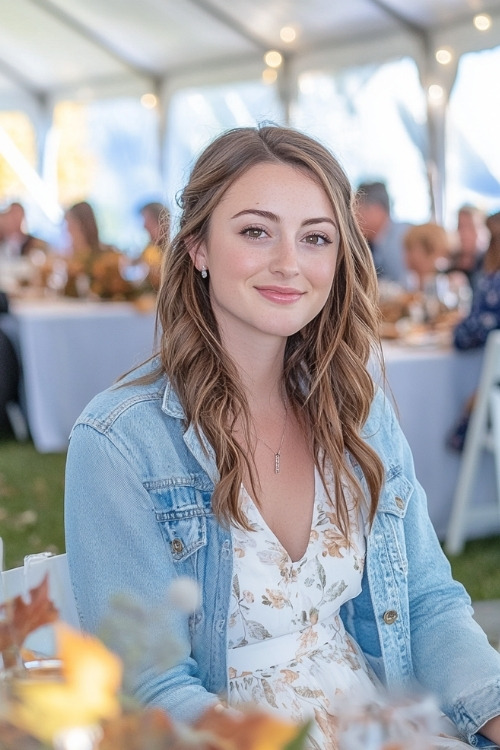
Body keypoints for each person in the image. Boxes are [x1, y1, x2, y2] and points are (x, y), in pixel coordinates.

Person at [64, 126, 500, 748]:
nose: (289, 263)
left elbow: (427, 602)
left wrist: (491, 709)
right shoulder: (121, 442)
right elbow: (150, 688)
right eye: (255, 231)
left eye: (315, 237)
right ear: (198, 248)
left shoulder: (359, 412)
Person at [355, 181, 411, 285]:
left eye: (358, 210)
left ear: (376, 210)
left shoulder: (402, 238)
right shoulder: (370, 241)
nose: (354, 218)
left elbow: (404, 286)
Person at [447, 205, 487, 292]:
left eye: (470, 226)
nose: (464, 233)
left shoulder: (488, 263)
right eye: (460, 226)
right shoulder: (449, 262)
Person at [138, 201, 169, 291]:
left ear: (162, 222)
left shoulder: (174, 254)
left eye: (148, 220)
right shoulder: (147, 251)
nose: (144, 226)